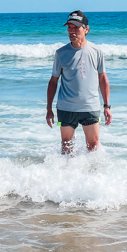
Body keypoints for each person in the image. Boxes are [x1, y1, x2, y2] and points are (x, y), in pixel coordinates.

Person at [45, 10, 111, 154]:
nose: (72, 31)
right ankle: (67, 169)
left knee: (93, 145)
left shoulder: (97, 51)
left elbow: (103, 79)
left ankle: (93, 169)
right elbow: (53, 82)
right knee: (67, 146)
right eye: (69, 27)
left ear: (86, 29)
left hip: (90, 105)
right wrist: (49, 109)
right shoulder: (61, 53)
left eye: (76, 27)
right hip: (66, 107)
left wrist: (107, 106)